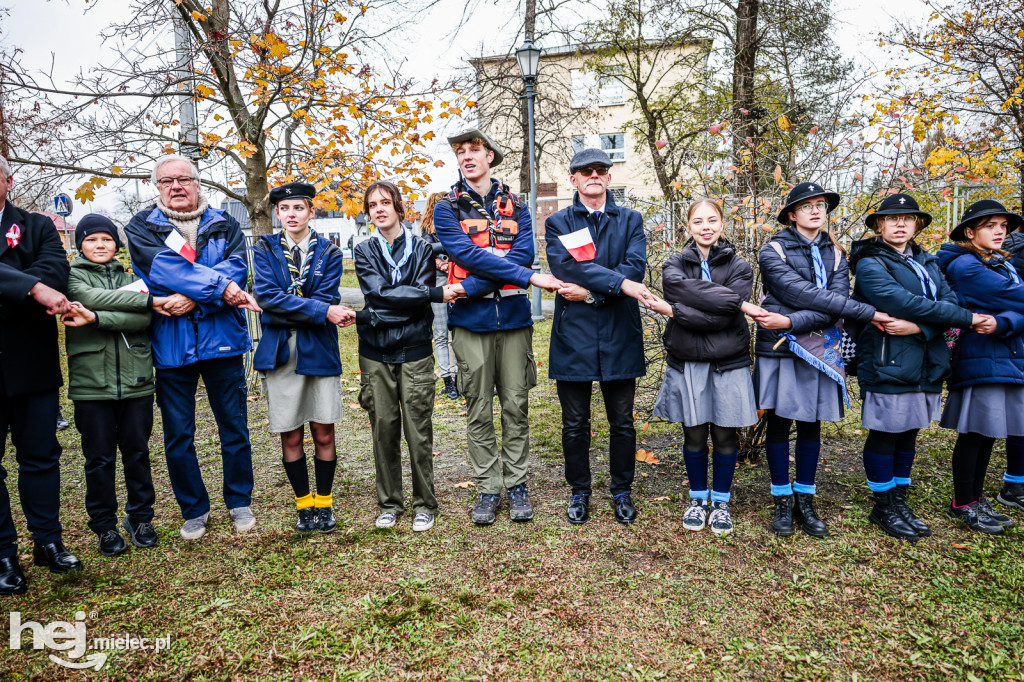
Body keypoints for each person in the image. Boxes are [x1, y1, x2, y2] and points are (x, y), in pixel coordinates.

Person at [125, 154, 261, 541]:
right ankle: (194, 509)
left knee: (234, 427)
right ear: (157, 187)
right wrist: (214, 289)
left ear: (198, 183)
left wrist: (198, 298)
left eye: (184, 179)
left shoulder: (225, 222)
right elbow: (162, 270)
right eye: (167, 181)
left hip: (222, 341)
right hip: (171, 345)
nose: (176, 187)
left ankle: (239, 501)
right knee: (178, 434)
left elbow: (238, 269)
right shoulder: (141, 227)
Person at [433, 128, 563, 525]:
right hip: (470, 322)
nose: (466, 157)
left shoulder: (518, 205)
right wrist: (514, 274)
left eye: (474, 150)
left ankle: (518, 485)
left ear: (490, 156)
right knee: (478, 409)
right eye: (460, 152)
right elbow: (461, 252)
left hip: (513, 319)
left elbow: (524, 253)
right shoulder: (447, 206)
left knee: (515, 405)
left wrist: (469, 284)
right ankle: (489, 487)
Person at [756, 181, 894, 538]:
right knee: (780, 422)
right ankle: (782, 500)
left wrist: (792, 318)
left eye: (821, 205)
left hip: (819, 347)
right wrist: (865, 312)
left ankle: (805, 498)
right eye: (807, 206)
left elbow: (832, 303)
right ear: (791, 214)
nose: (816, 210)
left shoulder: (835, 253)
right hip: (782, 347)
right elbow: (797, 292)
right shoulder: (773, 250)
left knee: (811, 423)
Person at [850, 194, 987, 541]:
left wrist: (919, 327)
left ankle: (899, 500)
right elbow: (898, 301)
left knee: (909, 431)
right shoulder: (870, 263)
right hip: (887, 357)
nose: (900, 223)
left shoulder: (928, 261)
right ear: (880, 225)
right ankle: (882, 506)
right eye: (892, 218)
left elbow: (948, 301)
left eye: (908, 218)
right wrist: (966, 320)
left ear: (917, 225)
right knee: (885, 432)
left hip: (926, 358)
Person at [544, 148, 653, 525]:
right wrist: (618, 283)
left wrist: (592, 291)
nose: (593, 175)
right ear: (573, 179)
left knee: (622, 422)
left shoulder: (631, 220)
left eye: (600, 170)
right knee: (574, 423)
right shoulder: (558, 222)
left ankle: (622, 491)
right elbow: (566, 267)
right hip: (573, 335)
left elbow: (635, 266)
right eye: (585, 170)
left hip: (620, 333)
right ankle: (580, 491)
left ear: (609, 178)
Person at [648, 199, 766, 536]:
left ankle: (722, 503)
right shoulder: (673, 265)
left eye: (712, 220)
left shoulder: (740, 266)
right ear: (688, 226)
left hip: (729, 362)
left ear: (722, 224)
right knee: (695, 433)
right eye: (698, 221)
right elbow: (686, 292)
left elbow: (728, 313)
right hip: (688, 361)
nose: (705, 227)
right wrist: (725, 301)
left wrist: (675, 311)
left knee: (726, 435)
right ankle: (698, 499)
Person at [355, 181, 461, 532]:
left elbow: (397, 298)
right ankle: (389, 503)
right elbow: (379, 292)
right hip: (375, 352)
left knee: (418, 428)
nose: (379, 209)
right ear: (369, 213)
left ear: (399, 207)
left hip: (414, 349)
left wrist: (381, 309)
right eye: (373, 205)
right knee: (383, 428)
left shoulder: (422, 248)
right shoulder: (364, 249)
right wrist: (420, 298)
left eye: (386, 202)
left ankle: (424, 504)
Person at [61, 215, 168, 556]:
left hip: (136, 381)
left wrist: (95, 318)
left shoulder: (133, 279)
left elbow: (143, 319)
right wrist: (143, 303)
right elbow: (86, 296)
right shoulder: (71, 279)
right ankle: (104, 526)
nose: (100, 245)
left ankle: (140, 518)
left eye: (107, 239)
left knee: (138, 453)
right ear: (80, 245)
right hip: (92, 385)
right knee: (99, 458)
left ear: (116, 245)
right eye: (92, 240)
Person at [252, 182, 354, 534]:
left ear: (312, 211)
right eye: (285, 209)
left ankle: (324, 503)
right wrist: (321, 311)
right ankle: (303, 505)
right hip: (280, 350)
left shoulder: (330, 253)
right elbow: (267, 297)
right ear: (277, 213)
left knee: (324, 430)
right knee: (290, 434)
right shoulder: (264, 248)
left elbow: (311, 298)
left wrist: (290, 306)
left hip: (318, 349)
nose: (292, 214)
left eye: (299, 208)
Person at [0, 155, 81, 595]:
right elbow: (41, 283)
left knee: (41, 457)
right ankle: (2, 552)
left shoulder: (37, 226)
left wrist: (34, 284)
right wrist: (29, 288)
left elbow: (56, 274)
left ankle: (47, 541)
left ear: (8, 181)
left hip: (31, 361)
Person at [936, 199, 1024, 534]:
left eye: (1003, 226)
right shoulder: (967, 266)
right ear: (970, 232)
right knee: (975, 433)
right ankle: (963, 503)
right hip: (978, 356)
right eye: (990, 226)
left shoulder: (1000, 263)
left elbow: (1014, 308)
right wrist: (1012, 318)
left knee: (989, 433)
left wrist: (1003, 323)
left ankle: (975, 499)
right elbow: (1019, 298)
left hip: (1001, 353)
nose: (1000, 232)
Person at [420, 192, 459, 400]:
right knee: (442, 333)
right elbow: (426, 252)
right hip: (441, 282)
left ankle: (458, 377)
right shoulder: (428, 230)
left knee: (457, 332)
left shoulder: (457, 224)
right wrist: (443, 261)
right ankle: (448, 378)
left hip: (457, 279)